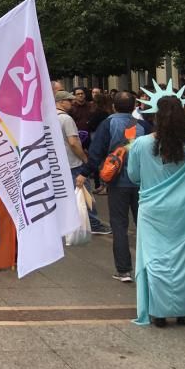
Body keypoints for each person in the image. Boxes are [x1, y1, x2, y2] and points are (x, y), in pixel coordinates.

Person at [127, 95, 185, 326]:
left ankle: (159, 311)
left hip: (152, 209)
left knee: (154, 259)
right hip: (183, 209)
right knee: (183, 259)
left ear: (156, 117)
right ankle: (182, 311)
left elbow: (133, 176)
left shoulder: (141, 144)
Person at [77, 91, 147, 282]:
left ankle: (124, 270)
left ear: (114, 106)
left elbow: (96, 151)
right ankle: (147, 266)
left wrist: (84, 172)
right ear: (134, 106)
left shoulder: (108, 124)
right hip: (143, 182)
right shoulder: (143, 126)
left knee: (119, 224)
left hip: (117, 182)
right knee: (145, 225)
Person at [56, 90, 110, 235]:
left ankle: (68, 223)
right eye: (69, 100)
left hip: (60, 162)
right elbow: (73, 142)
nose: (72, 103)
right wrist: (85, 159)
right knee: (85, 193)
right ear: (61, 102)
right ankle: (94, 224)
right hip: (73, 163)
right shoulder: (66, 119)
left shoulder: (50, 117)